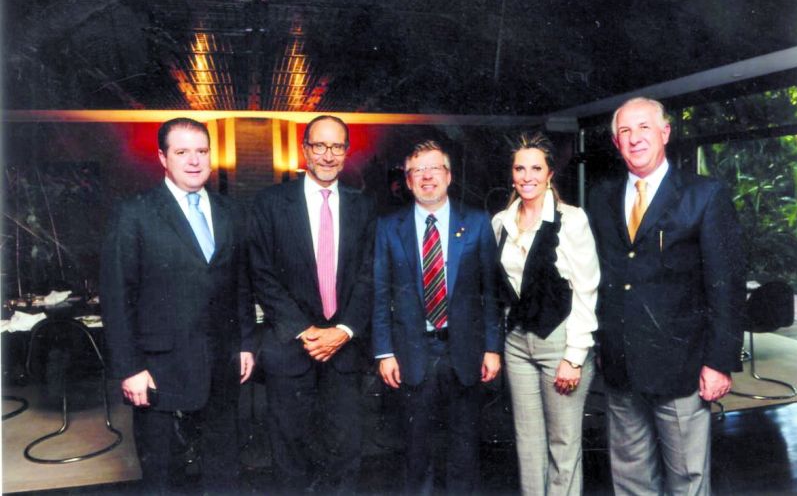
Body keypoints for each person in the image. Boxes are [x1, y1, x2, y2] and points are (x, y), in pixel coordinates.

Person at [587, 97, 745, 495]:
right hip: (622, 365)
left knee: (688, 477)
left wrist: (719, 362)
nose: (635, 138)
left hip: (682, 368)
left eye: (644, 127)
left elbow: (725, 285)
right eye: (625, 131)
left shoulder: (704, 195)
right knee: (629, 476)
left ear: (665, 133)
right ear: (615, 141)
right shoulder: (601, 199)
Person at [100, 117, 256, 494]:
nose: (194, 160)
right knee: (163, 477)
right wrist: (130, 368)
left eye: (201, 151)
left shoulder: (230, 212)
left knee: (223, 470)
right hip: (158, 369)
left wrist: (247, 342)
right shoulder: (135, 214)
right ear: (162, 158)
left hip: (222, 365)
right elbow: (117, 297)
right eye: (182, 151)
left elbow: (241, 285)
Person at [248, 115, 376, 494]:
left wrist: (343, 330)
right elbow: (261, 273)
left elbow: (371, 273)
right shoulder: (270, 203)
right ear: (304, 150)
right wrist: (308, 331)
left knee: (346, 450)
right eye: (319, 146)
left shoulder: (364, 206)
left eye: (336, 146)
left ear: (346, 152)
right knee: (289, 451)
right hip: (291, 346)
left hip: (345, 349)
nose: (327, 155)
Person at [372, 140, 502, 494]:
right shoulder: (388, 227)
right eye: (418, 171)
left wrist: (492, 347)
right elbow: (380, 293)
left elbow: (490, 290)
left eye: (434, 169)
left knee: (464, 448)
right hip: (413, 353)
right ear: (409, 182)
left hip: (465, 352)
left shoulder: (476, 223)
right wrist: (384, 352)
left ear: (449, 176)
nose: (427, 176)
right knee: (417, 450)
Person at [493, 132, 599, 495]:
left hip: (561, 341)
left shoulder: (572, 220)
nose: (527, 176)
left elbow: (587, 291)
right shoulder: (501, 222)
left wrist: (575, 357)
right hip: (517, 344)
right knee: (527, 442)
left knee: (563, 443)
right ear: (511, 174)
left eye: (536, 168)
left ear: (550, 173)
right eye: (520, 168)